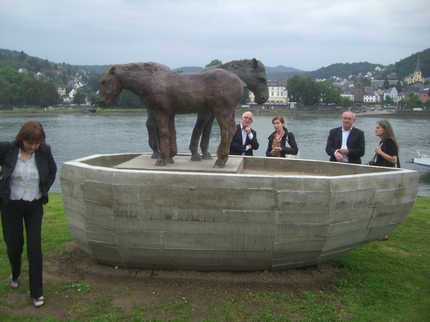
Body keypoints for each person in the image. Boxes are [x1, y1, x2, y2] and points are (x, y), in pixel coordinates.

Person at [0, 121, 57, 308]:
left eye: (37, 143)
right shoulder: (8, 149)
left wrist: (44, 190)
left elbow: (52, 171)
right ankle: (15, 273)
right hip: (11, 206)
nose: (33, 147)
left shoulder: (44, 151)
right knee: (14, 247)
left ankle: (36, 292)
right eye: (29, 143)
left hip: (34, 205)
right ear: (21, 138)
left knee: (35, 249)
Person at [371, 119, 400, 241]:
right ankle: (380, 232)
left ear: (384, 129)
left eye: (378, 127)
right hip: (381, 175)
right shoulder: (383, 142)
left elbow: (394, 160)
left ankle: (383, 233)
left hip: (386, 176)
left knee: (382, 205)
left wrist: (379, 152)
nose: (375, 129)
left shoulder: (389, 142)